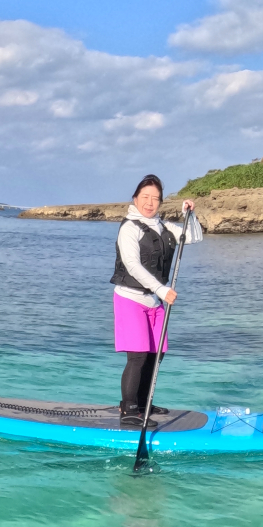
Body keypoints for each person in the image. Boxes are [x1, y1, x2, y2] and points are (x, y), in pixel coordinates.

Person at [110, 174, 194, 427]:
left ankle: (144, 402)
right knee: (137, 356)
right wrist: (160, 289)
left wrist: (190, 214)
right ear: (135, 198)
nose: (149, 202)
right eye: (145, 197)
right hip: (130, 298)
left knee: (155, 355)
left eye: (155, 198)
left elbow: (193, 236)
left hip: (155, 301)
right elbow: (132, 265)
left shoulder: (164, 226)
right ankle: (129, 409)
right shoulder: (129, 228)